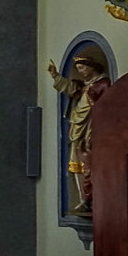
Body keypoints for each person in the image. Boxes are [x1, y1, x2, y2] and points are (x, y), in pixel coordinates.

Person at [50, 55, 110, 215]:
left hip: (91, 130)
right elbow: (70, 88)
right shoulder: (85, 86)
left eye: (82, 68)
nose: (81, 72)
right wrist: (55, 76)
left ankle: (90, 199)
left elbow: (106, 110)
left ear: (91, 66)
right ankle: (84, 199)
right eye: (78, 70)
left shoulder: (103, 84)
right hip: (78, 128)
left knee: (90, 163)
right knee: (79, 163)